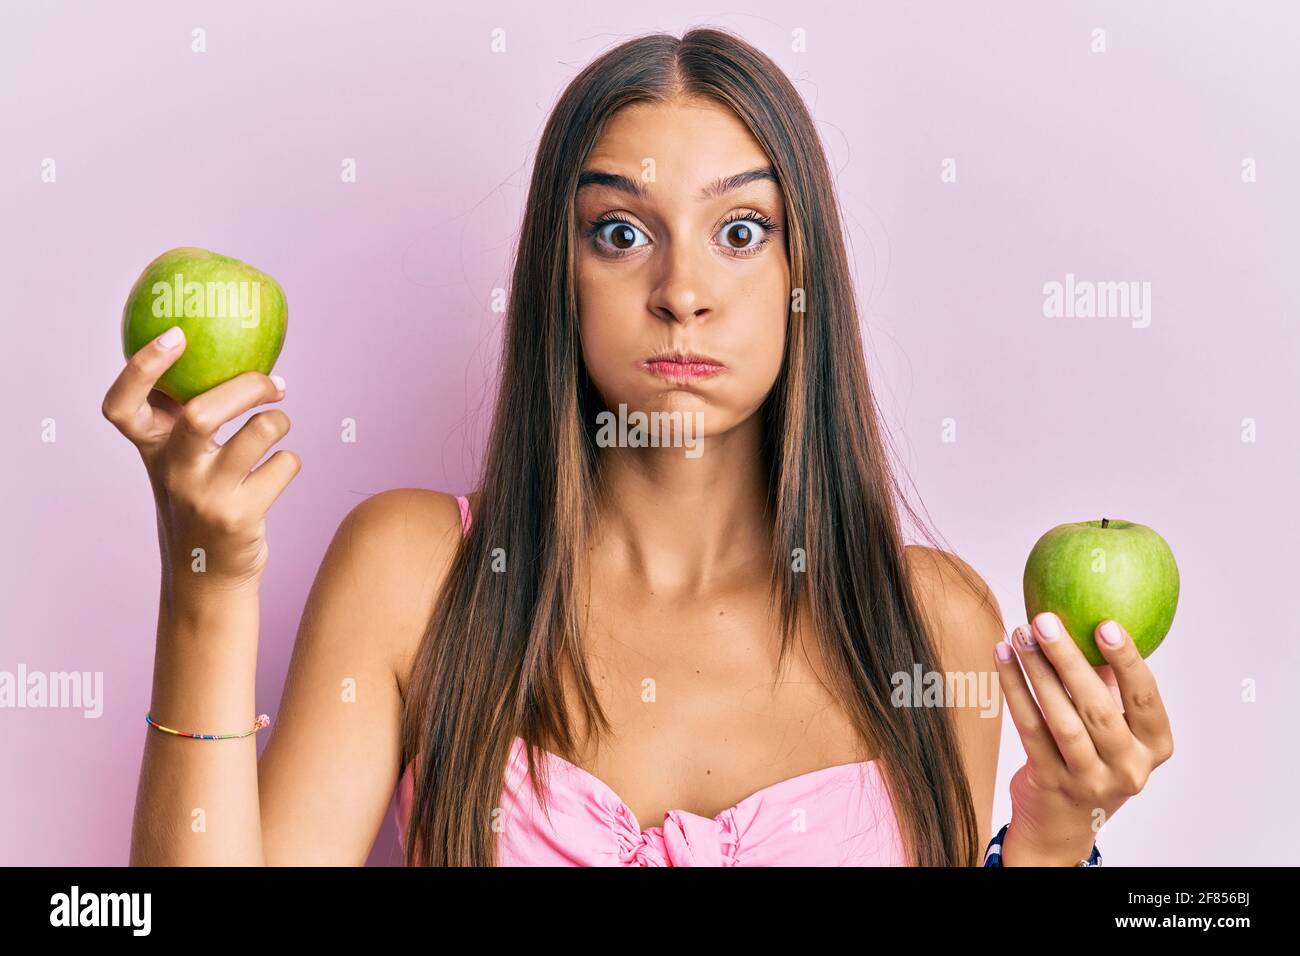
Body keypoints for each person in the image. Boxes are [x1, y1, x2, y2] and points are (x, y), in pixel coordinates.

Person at [105, 27, 1173, 867]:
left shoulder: (933, 625)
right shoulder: (414, 572)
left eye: (740, 231)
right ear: (555, 277)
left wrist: (1052, 828)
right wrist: (206, 572)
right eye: (619, 232)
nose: (682, 292)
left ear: (806, 281)